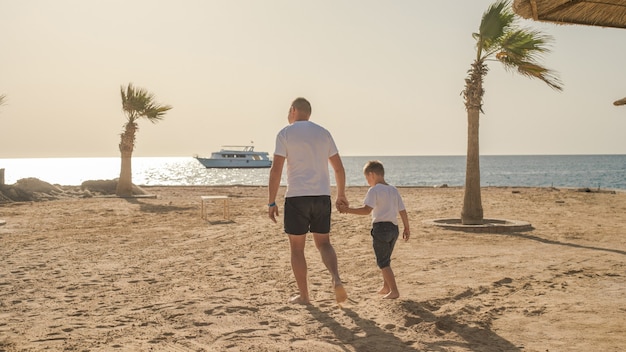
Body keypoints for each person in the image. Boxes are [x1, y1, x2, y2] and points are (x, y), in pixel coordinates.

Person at [268, 97, 349, 305]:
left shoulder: (285, 133)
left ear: (293, 110)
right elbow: (339, 168)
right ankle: (336, 278)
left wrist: (271, 201)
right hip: (321, 196)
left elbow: (276, 170)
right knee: (324, 243)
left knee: (297, 249)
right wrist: (341, 194)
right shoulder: (323, 133)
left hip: (297, 197)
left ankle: (304, 296)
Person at [339, 160, 410, 299]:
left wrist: (347, 210)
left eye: (367, 178)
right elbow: (402, 210)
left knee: (383, 262)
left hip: (381, 229)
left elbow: (366, 210)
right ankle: (386, 286)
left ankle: (394, 290)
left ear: (371, 175)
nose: (367, 182)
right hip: (394, 229)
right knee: (386, 258)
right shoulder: (393, 190)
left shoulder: (374, 190)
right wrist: (407, 227)